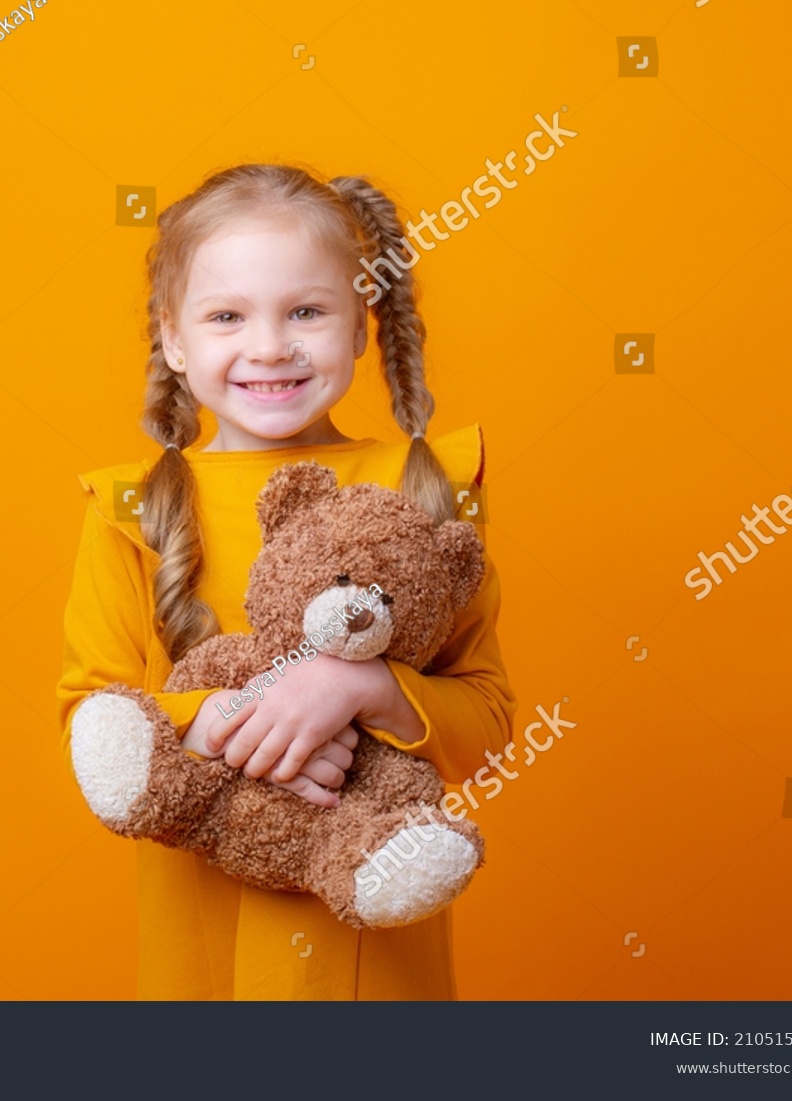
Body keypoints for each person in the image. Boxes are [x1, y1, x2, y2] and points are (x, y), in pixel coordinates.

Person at [55, 163, 516, 1000]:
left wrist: (361, 686)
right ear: (175, 336)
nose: (269, 346)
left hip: (380, 957)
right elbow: (97, 725)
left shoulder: (427, 486)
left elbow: (487, 720)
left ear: (360, 329)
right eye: (227, 315)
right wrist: (245, 716)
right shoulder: (130, 510)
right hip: (206, 943)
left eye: (307, 311)